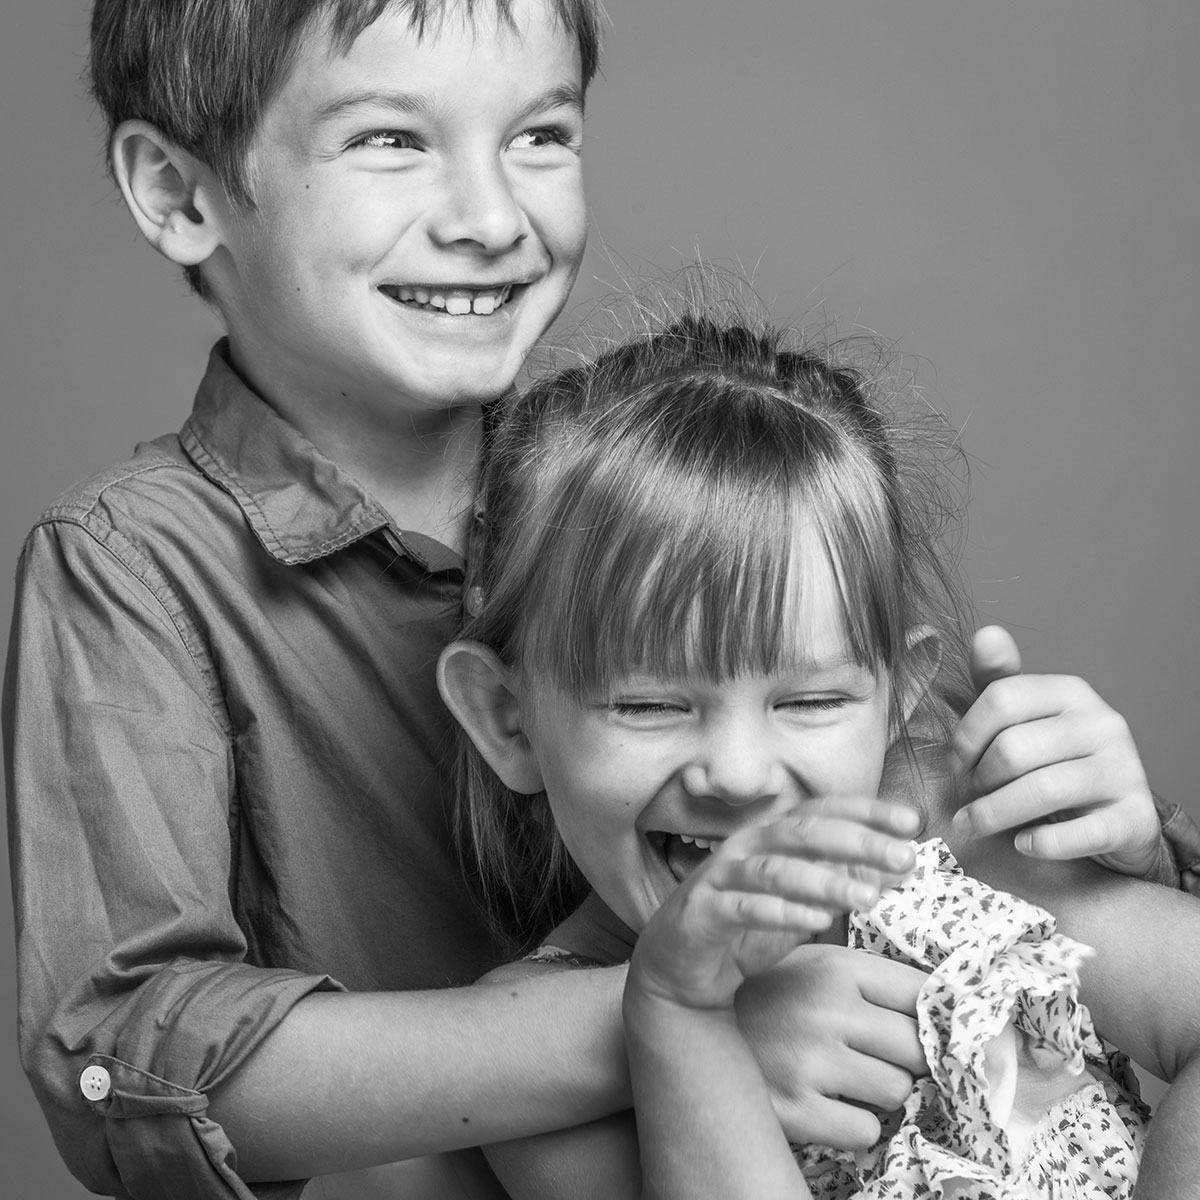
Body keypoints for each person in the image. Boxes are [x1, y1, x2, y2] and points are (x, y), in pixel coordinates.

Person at [3, 2, 1191, 1197]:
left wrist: (1122, 853)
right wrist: (673, 1021)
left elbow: (903, 791)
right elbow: (128, 1056)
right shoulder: (129, 566)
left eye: (540, 135)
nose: (488, 218)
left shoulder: (657, 474)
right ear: (176, 190)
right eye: (389, 141)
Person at [437, 313, 1200, 1198]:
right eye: (649, 704)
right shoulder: (527, 1058)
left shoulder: (957, 862)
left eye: (808, 701)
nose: (740, 772)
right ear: (506, 718)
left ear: (894, 700)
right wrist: (683, 1021)